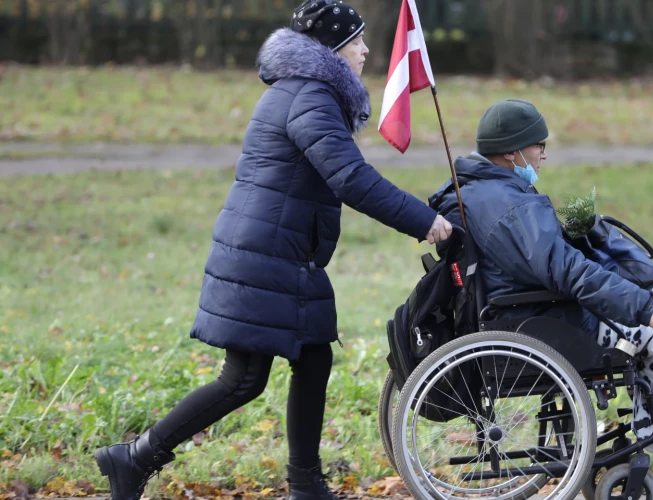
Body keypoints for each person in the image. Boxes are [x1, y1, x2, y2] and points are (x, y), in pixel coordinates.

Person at [92, 2, 452, 500]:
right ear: (330, 48)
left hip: (278, 252)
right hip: (265, 254)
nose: (366, 49)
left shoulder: (304, 91)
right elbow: (350, 177)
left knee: (313, 358)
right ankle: (133, 458)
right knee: (243, 379)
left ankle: (305, 482)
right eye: (356, 41)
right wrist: (425, 220)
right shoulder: (310, 96)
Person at [428, 99, 653, 490]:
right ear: (511, 151)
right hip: (543, 323)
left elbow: (546, 260)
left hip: (524, 313)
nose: (543, 155)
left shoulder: (479, 191)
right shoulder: (510, 206)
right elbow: (567, 271)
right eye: (538, 145)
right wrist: (644, 307)